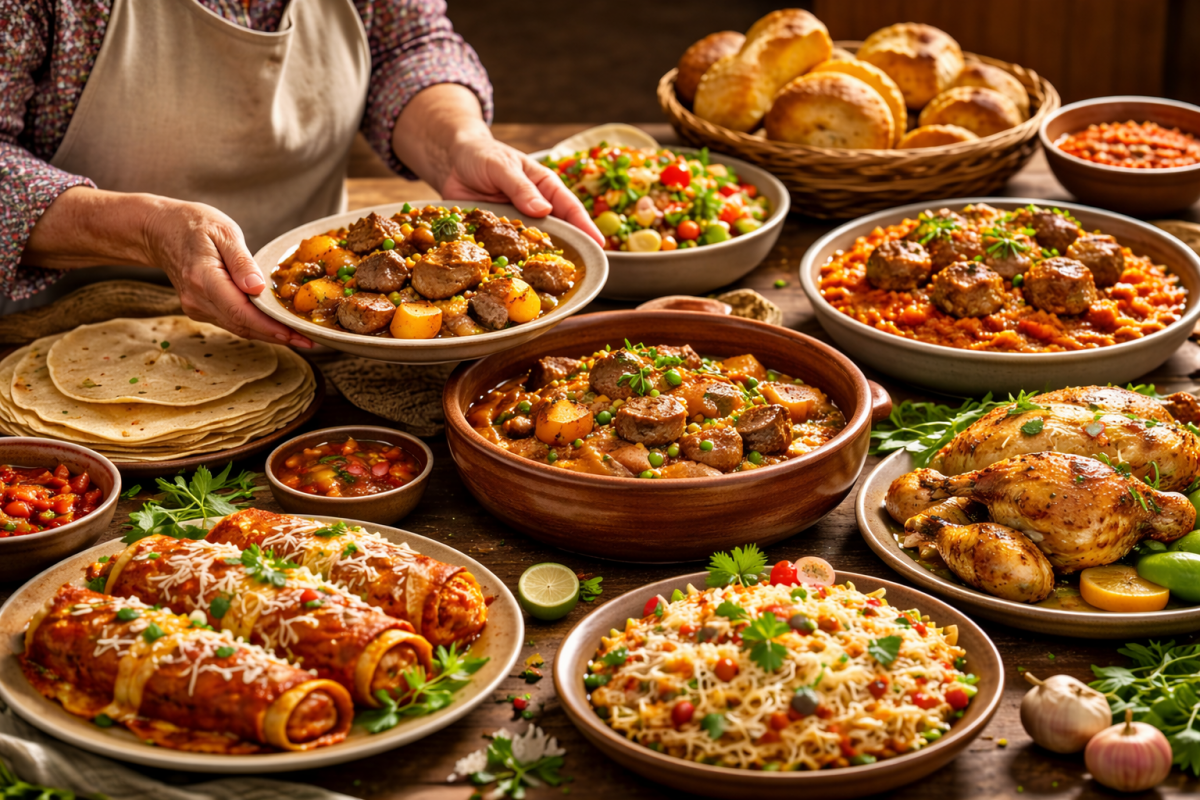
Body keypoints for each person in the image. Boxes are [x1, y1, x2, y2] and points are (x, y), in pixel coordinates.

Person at [1, 0, 601, 347]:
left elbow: (409, 45)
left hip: (325, 333)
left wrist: (458, 145)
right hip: (78, 326)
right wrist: (150, 229)